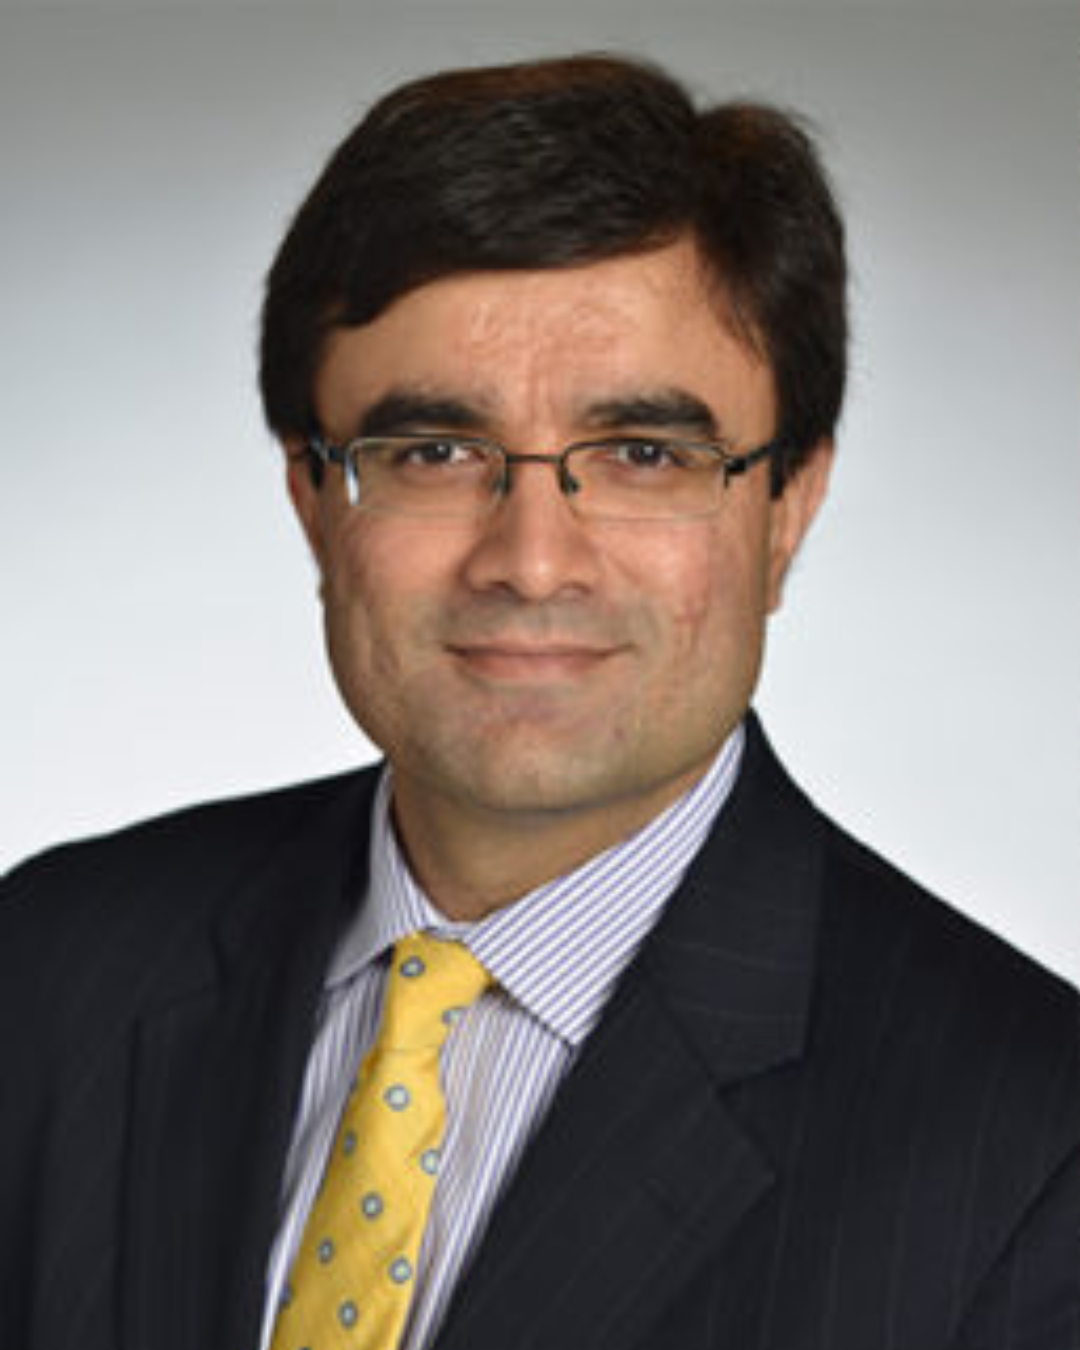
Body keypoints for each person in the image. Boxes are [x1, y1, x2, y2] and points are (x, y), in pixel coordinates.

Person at [1, 53, 1076, 1350]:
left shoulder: (1034, 1146)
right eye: (433, 451)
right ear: (311, 498)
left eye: (642, 454)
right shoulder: (52, 963)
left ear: (787, 505)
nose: (529, 559)